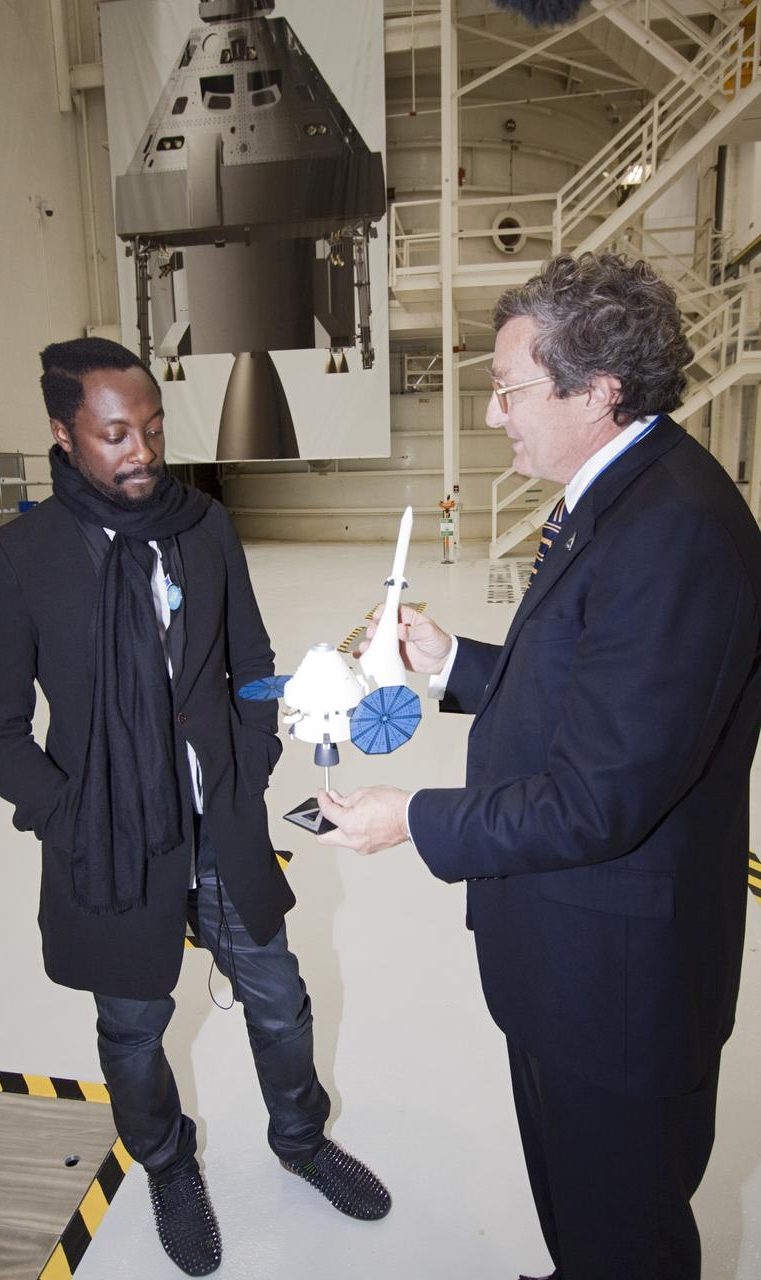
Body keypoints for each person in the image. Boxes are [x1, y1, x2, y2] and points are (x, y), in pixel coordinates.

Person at [318, 253, 761, 1280]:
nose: (490, 413)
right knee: (581, 1196)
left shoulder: (672, 531)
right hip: (572, 957)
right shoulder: (621, 489)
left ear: (597, 391)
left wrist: (412, 816)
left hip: (618, 980)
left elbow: (597, 797)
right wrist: (449, 664)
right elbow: (594, 689)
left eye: (509, 389)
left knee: (625, 1220)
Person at [0, 337, 390, 1279]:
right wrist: (69, 817)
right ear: (64, 436)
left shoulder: (203, 526)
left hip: (221, 823)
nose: (141, 451)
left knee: (277, 998)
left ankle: (302, 1142)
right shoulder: (20, 558)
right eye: (114, 434)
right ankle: (165, 1165)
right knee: (133, 1028)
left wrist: (251, 758)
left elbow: (249, 661)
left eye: (152, 428)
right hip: (109, 841)